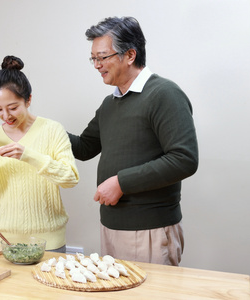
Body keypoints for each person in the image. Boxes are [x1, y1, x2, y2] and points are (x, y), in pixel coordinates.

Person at [68, 17, 198, 265]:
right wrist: (39, 127)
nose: (96, 65)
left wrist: (121, 182)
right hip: (111, 226)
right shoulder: (110, 103)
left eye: (102, 57)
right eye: (93, 58)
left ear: (129, 55)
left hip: (149, 230)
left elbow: (185, 159)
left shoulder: (164, 94)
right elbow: (84, 148)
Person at [0, 55, 79, 252]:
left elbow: (71, 178)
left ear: (28, 100)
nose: (6, 116)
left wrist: (29, 156)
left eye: (13, 108)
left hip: (48, 242)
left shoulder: (52, 130)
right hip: (3, 241)